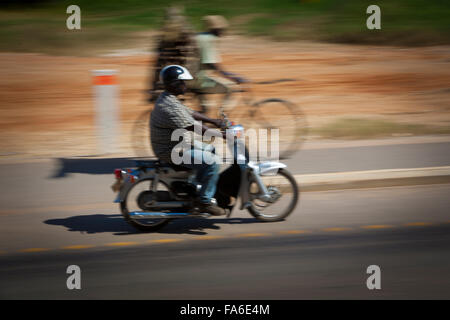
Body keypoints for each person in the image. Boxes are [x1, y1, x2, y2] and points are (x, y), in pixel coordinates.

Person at [150, 65, 226, 216]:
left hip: (177, 145)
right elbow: (194, 127)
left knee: (210, 149)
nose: (186, 85)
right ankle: (204, 202)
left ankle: (194, 189)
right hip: (173, 151)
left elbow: (191, 113)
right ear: (174, 84)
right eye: (183, 82)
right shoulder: (169, 106)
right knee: (213, 162)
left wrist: (215, 121)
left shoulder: (169, 98)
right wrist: (223, 135)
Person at [193, 15, 245, 113]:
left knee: (204, 110)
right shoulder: (209, 39)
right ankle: (222, 118)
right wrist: (231, 77)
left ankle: (196, 122)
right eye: (221, 29)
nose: (223, 32)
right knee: (230, 88)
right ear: (214, 29)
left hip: (190, 76)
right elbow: (211, 64)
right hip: (199, 79)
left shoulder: (199, 36)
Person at [148, 6, 199, 103]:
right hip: (179, 68)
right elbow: (191, 53)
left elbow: (158, 62)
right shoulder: (185, 29)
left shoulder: (164, 32)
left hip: (167, 68)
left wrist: (153, 86)